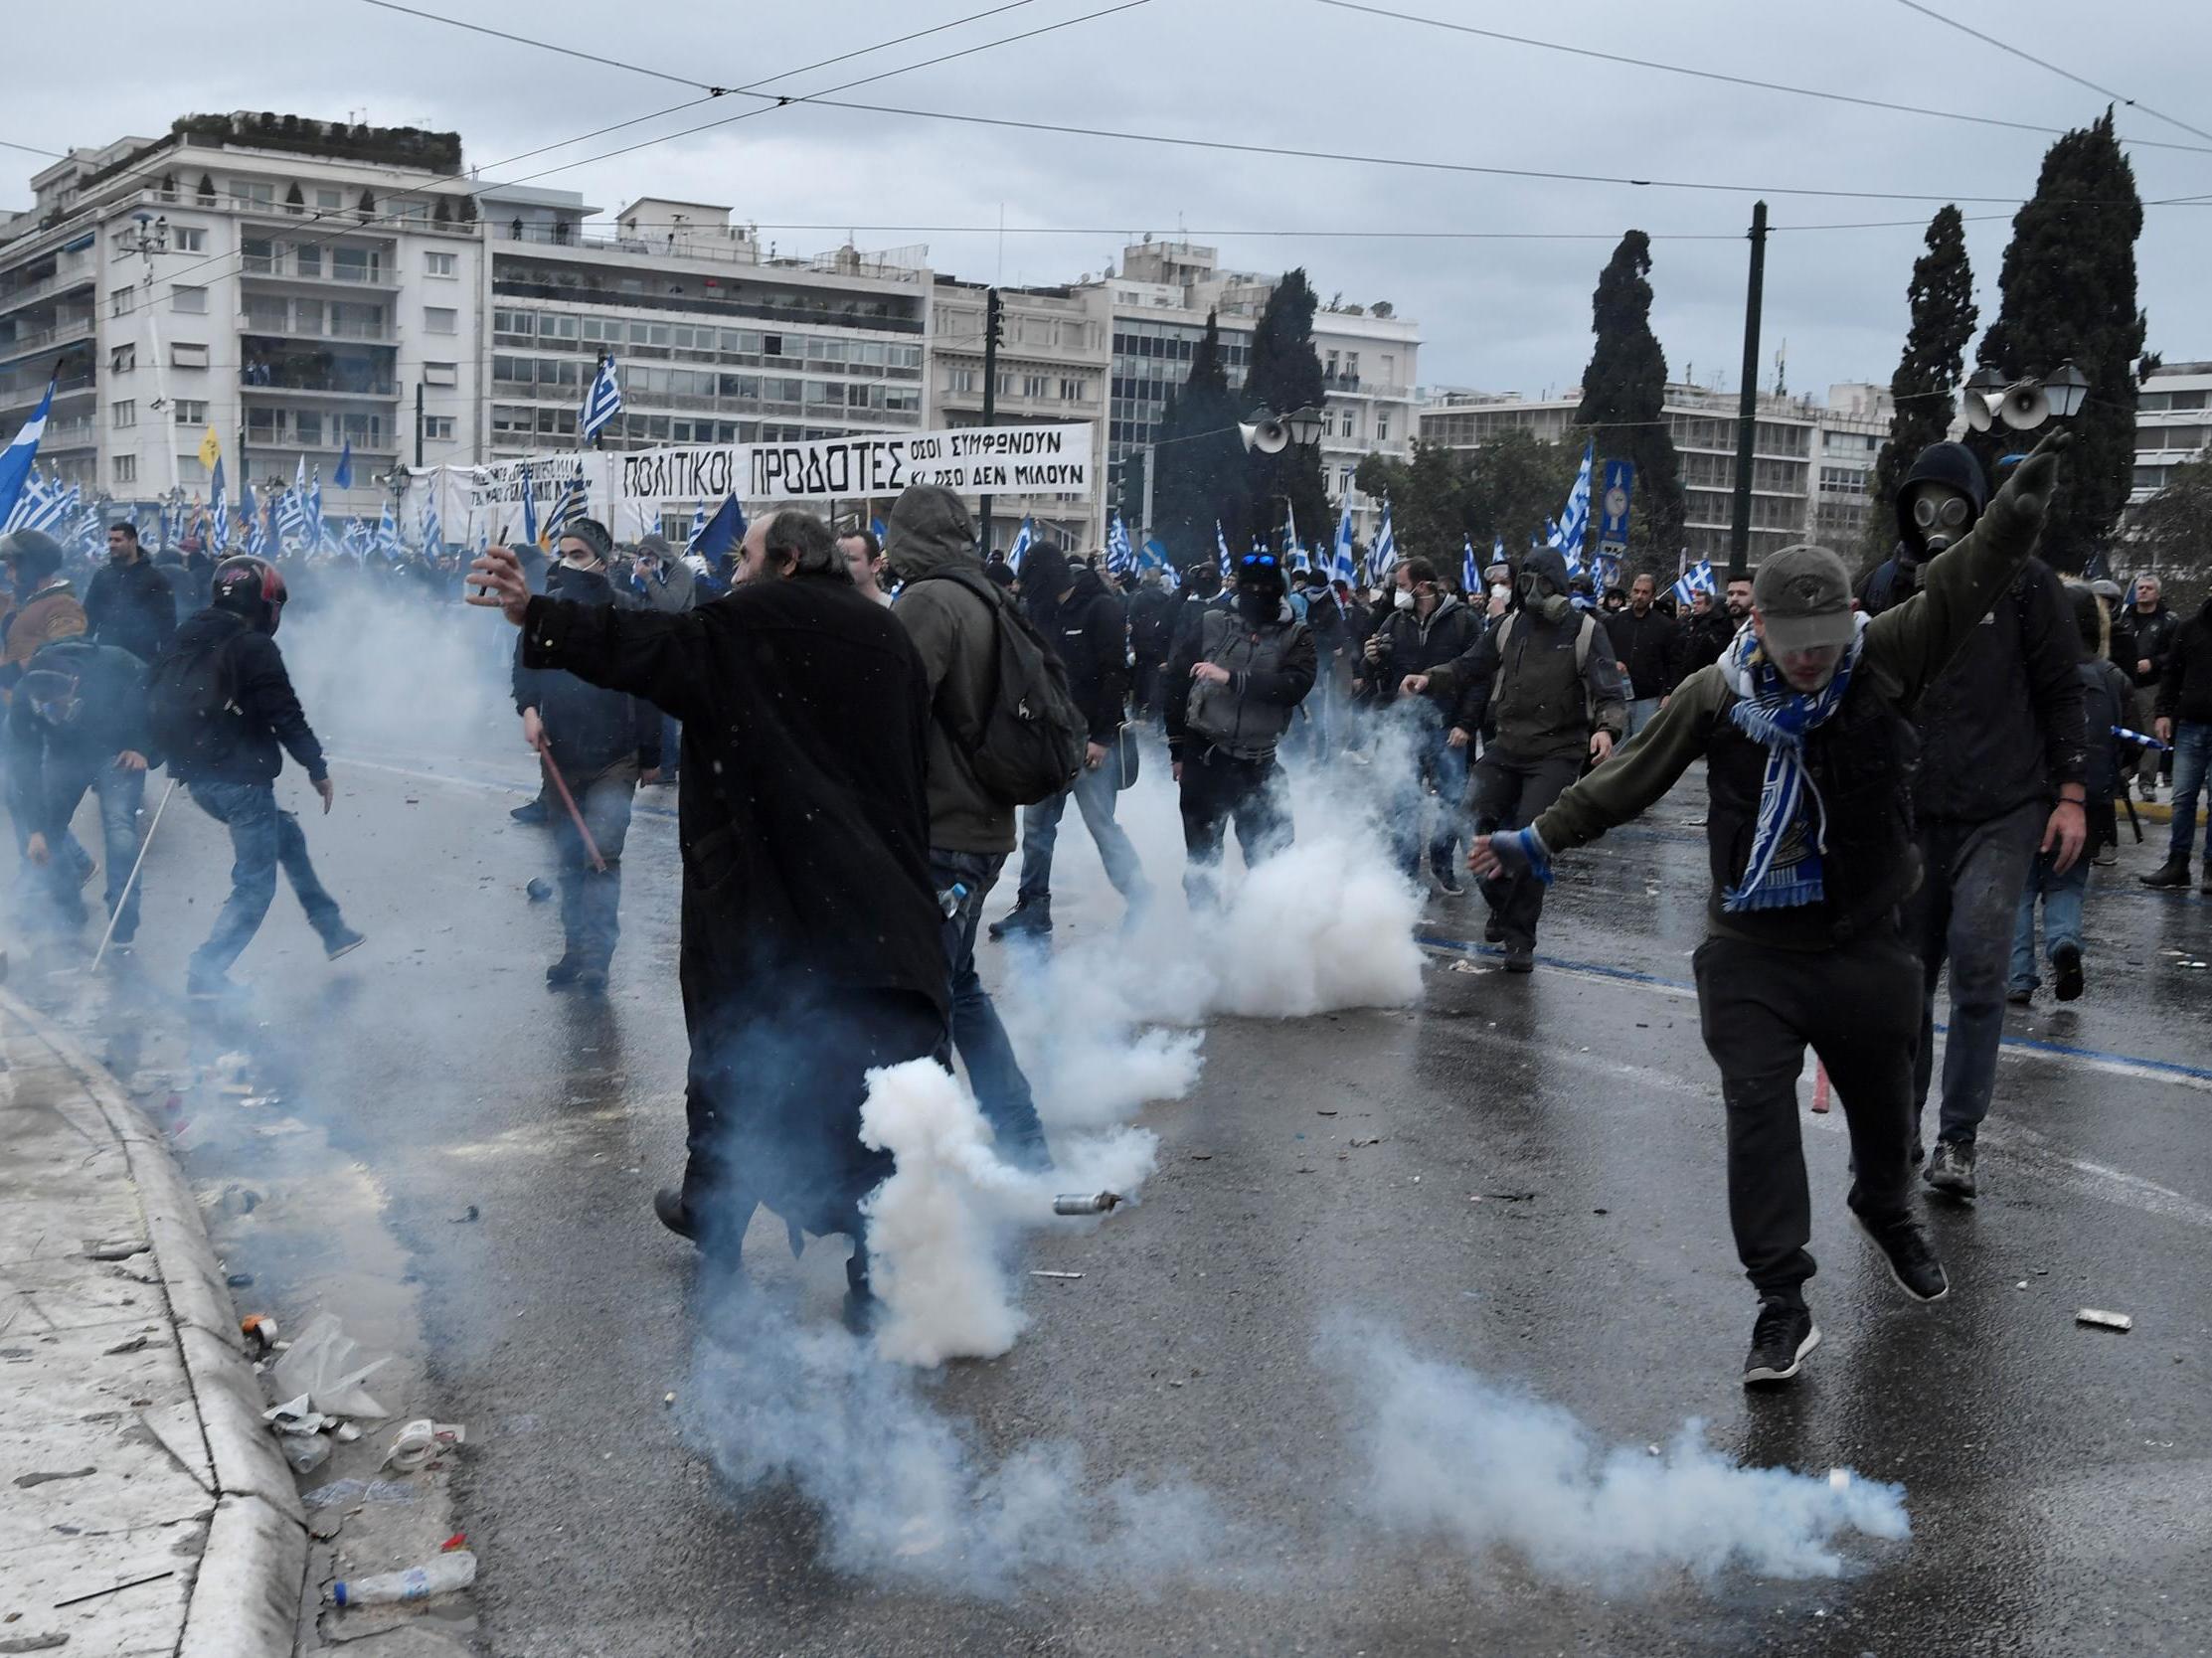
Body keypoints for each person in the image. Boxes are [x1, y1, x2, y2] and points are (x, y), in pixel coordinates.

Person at [1467, 432, 2067, 1386]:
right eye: (1791, 648)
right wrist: (1535, 841)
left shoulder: (1885, 658)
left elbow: (1968, 578)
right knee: (1756, 1108)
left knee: (1883, 1114)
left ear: (1849, 623)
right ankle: (1781, 1301)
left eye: (1823, 644)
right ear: (1762, 636)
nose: (1807, 663)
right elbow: (1630, 776)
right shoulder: (1716, 692)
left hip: (1866, 941)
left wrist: (2018, 506)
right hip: (1749, 945)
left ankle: (1884, 1205)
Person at [467, 514, 947, 1321]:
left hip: (768, 889)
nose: (734, 569)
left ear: (787, 562)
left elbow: (646, 647)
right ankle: (876, 1262)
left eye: (747, 556)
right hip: (875, 896)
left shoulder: (747, 622)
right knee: (870, 1072)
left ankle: (715, 1218)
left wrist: (536, 616)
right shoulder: (886, 636)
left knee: (734, 1053)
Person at [1864, 442, 2087, 1202]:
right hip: (1912, 812)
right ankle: (1898, 1133)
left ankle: (1957, 1138)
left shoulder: (2025, 584)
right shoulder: (1888, 584)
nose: (1936, 520)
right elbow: (1863, 696)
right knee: (1904, 982)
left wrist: (2070, 796)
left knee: (1980, 959)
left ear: (1979, 506)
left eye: (1951, 505)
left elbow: (2063, 690)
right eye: (1921, 505)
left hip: (2003, 806)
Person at [884, 485, 1050, 1166]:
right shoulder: (988, 595)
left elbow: (892, 711)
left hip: (942, 831)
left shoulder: (927, 601)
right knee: (957, 988)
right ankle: (1020, 1143)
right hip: (981, 825)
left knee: (922, 1003)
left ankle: (928, 1164)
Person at [1401, 546, 1624, 972]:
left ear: (1557, 585)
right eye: (1525, 581)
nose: (1530, 590)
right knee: (1470, 825)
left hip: (1557, 753)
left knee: (1529, 840)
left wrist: (1605, 729)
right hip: (1505, 748)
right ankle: (1502, 907)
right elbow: (1469, 666)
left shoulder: (1585, 630)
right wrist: (1429, 678)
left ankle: (1520, 938)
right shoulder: (1507, 627)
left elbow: (1609, 692)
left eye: (1540, 582)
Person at [161, 557, 364, 999]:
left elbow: (154, 691)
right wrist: (316, 766)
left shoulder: (188, 634)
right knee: (254, 887)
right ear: (263, 602)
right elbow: (283, 711)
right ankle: (206, 972)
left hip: (198, 779)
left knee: (286, 833)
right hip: (240, 781)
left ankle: (332, 929)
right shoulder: (253, 646)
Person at [514, 521, 661, 993]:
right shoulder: (547, 609)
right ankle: (574, 949)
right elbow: (524, 668)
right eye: (564, 553)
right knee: (568, 856)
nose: (568, 561)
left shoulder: (626, 610)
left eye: (579, 553)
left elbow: (649, 684)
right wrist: (530, 710)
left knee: (602, 855)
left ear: (603, 557)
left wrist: (651, 752)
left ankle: (598, 957)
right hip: (561, 750)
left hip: (614, 755)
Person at [989, 544, 1148, 938]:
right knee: (1038, 827)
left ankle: (1141, 896)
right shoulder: (1042, 610)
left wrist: (1102, 737)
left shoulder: (1101, 608)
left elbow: (1115, 675)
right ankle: (1033, 907)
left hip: (1091, 742)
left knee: (1100, 825)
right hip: (1050, 739)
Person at [1163, 549, 1316, 908]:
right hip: (1206, 756)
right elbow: (1175, 683)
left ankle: (1260, 933)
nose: (1257, 596)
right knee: (1202, 861)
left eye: (1266, 589)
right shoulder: (1211, 622)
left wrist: (1233, 679)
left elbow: (1294, 686)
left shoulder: (1296, 634)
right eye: (1250, 588)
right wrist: (1176, 749)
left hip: (1259, 762)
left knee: (1274, 859)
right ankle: (1206, 938)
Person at [2010, 584, 2128, 1004]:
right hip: (2088, 803)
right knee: (2066, 885)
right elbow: (2127, 738)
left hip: (2035, 795)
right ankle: (2064, 945)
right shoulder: (2111, 677)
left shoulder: (2034, 670)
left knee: (2021, 890)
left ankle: (2018, 977)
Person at [5, 639, 153, 948]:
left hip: (118, 752)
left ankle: (123, 914)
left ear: (74, 684)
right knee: (47, 834)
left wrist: (142, 746)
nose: (53, 712)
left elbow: (156, 695)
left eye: (58, 704)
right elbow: (25, 764)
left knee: (119, 826)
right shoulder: (25, 698)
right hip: (66, 755)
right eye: (45, 707)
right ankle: (68, 909)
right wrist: (35, 829)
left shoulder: (114, 662)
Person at [1366, 557, 1484, 892]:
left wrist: (1465, 724)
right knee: (1402, 802)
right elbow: (1381, 677)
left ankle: (1442, 861)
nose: (1397, 592)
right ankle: (1406, 877)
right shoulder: (1393, 621)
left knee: (1451, 799)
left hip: (1448, 729)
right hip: (1403, 729)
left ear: (1424, 586)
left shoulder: (1464, 622)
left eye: (1402, 586)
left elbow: (1478, 677)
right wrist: (1372, 660)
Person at [2142, 578, 2212, 892]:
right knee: (2183, 798)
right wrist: (2163, 713)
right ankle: (2177, 863)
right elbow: (2172, 674)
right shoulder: (2189, 629)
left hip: (2196, 723)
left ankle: (2210, 868)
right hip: (2191, 725)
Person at [0, 530, 88, 693]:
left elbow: (65, 653)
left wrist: (13, 671)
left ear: (31, 568)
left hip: (36, 701)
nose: (7, 575)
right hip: (10, 699)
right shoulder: (20, 598)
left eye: (12, 567)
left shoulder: (64, 607)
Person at [85, 521, 177, 664]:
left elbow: (167, 622)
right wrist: (84, 649)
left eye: (118, 540)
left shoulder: (155, 577)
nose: (112, 544)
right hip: (106, 652)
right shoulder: (103, 574)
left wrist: (164, 661)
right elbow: (89, 613)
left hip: (141, 655)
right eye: (110, 540)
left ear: (133, 542)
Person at [2120, 574, 2177, 801]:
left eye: (2148, 588)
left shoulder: (2169, 621)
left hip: (2152, 684)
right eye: (2140, 587)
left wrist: (2153, 663)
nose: (2143, 591)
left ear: (2157, 593)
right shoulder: (2124, 618)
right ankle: (2121, 777)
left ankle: (2147, 781)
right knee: (2124, 730)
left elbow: (2175, 653)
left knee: (2151, 734)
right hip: (2125, 681)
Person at [1611, 573, 1682, 741]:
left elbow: (1675, 662)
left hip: (1649, 698)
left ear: (1653, 596)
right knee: (1615, 751)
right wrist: (1612, 664)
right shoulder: (1614, 622)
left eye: (1644, 592)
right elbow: (1602, 655)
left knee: (1641, 749)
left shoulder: (1666, 626)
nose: (1639, 596)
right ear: (1630, 592)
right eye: (1636, 591)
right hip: (1618, 696)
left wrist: (1669, 692)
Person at [1126, 568, 1178, 722]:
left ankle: (1136, 708)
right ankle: (1152, 712)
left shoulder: (1138, 597)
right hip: (1157, 644)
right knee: (1155, 679)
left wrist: (1133, 641)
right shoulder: (1165, 599)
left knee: (1140, 678)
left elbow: (1133, 619)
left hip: (1141, 643)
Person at [1677, 583, 1737, 677]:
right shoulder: (1694, 622)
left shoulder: (1715, 626)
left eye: (1699, 603)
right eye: (1694, 603)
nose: (1695, 606)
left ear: (1709, 605)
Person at [838, 526, 892, 605]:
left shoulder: (895, 611)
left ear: (875, 565)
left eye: (850, 559)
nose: (840, 565)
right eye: (837, 559)